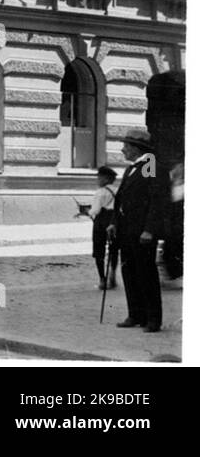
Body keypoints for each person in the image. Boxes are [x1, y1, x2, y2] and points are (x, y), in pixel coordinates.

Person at [111, 128, 170, 333]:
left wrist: (150, 230)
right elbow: (121, 199)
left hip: (142, 232)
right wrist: (114, 223)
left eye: (126, 146)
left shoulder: (150, 165)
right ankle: (135, 314)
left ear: (136, 148)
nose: (123, 149)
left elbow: (156, 200)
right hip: (127, 231)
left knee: (145, 274)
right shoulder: (133, 168)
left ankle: (153, 319)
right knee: (129, 272)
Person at [89, 165, 119, 291]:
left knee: (99, 250)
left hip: (101, 221)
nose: (97, 180)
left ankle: (102, 279)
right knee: (114, 249)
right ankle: (112, 274)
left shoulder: (100, 192)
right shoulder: (118, 190)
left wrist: (89, 212)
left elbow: (95, 210)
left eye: (99, 177)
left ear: (105, 179)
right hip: (114, 220)